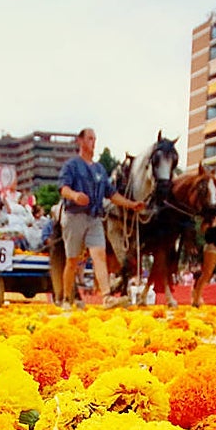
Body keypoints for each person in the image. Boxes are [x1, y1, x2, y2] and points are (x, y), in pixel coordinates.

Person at [58, 127, 145, 309]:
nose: (93, 142)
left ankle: (106, 296)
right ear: (80, 141)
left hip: (95, 217)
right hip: (74, 216)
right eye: (90, 138)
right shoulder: (72, 165)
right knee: (72, 260)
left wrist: (131, 204)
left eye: (94, 139)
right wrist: (75, 196)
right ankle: (66, 298)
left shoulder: (99, 169)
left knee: (99, 256)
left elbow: (111, 194)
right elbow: (63, 188)